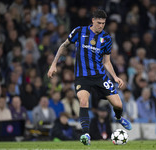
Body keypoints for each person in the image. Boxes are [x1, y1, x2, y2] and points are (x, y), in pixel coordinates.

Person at [47, 9, 132, 145]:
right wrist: (53, 64)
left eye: (103, 23)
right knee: (83, 101)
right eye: (99, 23)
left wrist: (115, 77)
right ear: (93, 20)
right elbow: (64, 45)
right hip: (83, 77)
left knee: (118, 104)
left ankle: (119, 117)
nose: (101, 26)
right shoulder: (79, 31)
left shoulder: (107, 39)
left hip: (100, 76)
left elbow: (107, 62)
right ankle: (86, 135)